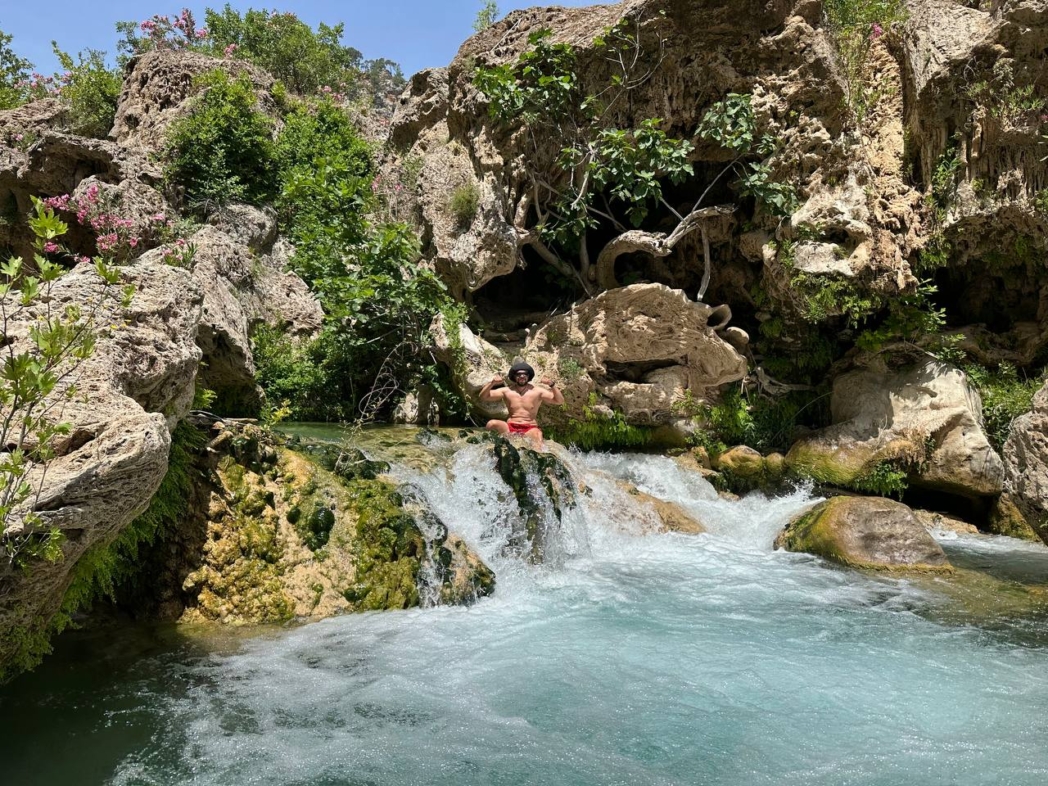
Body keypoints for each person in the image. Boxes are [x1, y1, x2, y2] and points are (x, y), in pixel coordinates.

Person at [480, 361, 564, 449]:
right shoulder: (507, 391)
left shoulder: (538, 391)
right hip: (509, 427)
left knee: (537, 434)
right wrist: (492, 383)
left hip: (529, 428)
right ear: (514, 377)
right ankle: (487, 448)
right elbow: (484, 397)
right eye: (519, 374)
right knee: (491, 423)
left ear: (528, 376)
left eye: (525, 374)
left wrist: (552, 384)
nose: (522, 376)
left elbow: (559, 401)